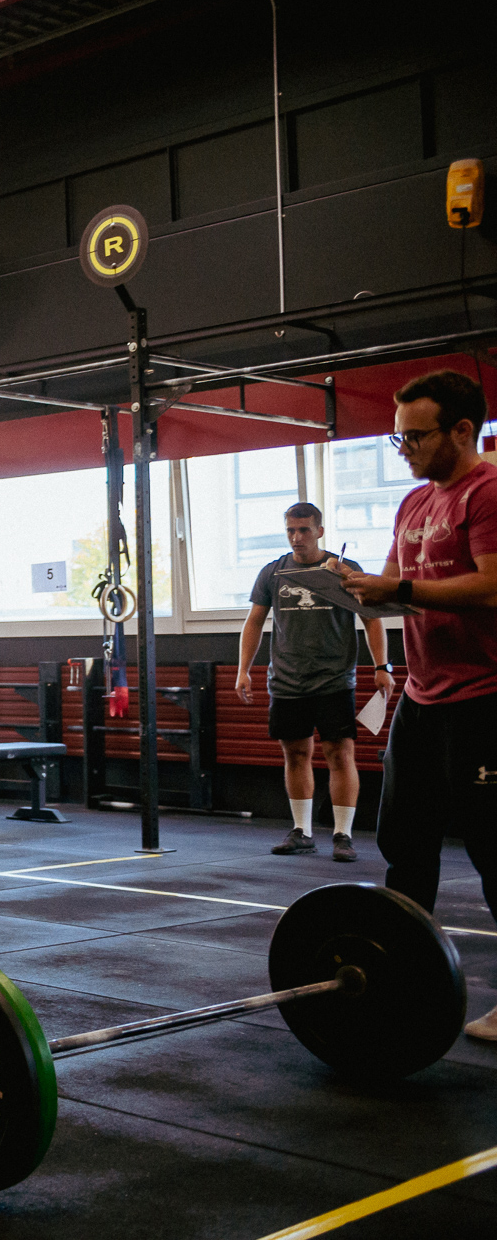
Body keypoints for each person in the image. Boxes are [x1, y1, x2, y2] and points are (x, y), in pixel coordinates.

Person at [336, 369, 497, 1042]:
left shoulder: (488, 492)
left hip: (488, 700)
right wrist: (357, 589)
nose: (403, 449)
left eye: (414, 437)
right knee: (406, 849)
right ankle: (401, 978)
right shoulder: (412, 504)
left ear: (462, 430)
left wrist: (397, 586)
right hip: (425, 696)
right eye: (396, 437)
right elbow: (405, 592)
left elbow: (490, 587)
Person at [234, 503, 392, 863]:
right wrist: (244, 669)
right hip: (288, 681)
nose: (297, 537)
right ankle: (302, 831)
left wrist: (381, 665)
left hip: (334, 679)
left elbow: (371, 619)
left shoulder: (343, 569)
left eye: (304, 530)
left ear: (320, 531)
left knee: (340, 754)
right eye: (291, 530)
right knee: (295, 754)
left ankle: (343, 834)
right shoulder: (273, 572)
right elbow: (254, 622)